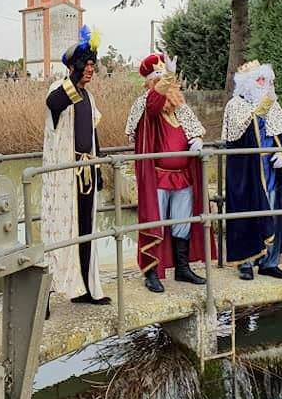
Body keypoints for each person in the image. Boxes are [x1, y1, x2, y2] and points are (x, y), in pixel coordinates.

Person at [126, 53, 214, 293]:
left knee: (182, 223)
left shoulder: (179, 106)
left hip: (183, 176)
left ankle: (183, 268)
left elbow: (193, 126)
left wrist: (195, 139)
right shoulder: (146, 103)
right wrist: (169, 77)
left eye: (166, 78)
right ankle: (151, 272)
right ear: (150, 81)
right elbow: (154, 106)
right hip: (157, 176)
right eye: (160, 77)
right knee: (155, 222)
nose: (166, 83)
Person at [41, 25, 111, 314]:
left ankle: (85, 289)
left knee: (85, 232)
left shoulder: (90, 98)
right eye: (86, 65)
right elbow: (54, 103)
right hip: (64, 178)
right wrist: (73, 73)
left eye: (94, 65)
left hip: (86, 173)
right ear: (72, 67)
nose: (91, 70)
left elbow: (93, 135)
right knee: (58, 233)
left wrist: (98, 169)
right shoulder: (58, 91)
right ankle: (43, 298)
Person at [222, 60, 282, 280]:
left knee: (275, 214)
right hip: (247, 172)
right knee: (248, 215)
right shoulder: (235, 105)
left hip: (271, 172)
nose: (264, 84)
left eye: (266, 80)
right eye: (259, 80)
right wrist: (264, 106)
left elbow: (281, 137)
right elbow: (239, 136)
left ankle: (270, 262)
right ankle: (245, 263)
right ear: (247, 83)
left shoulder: (272, 105)